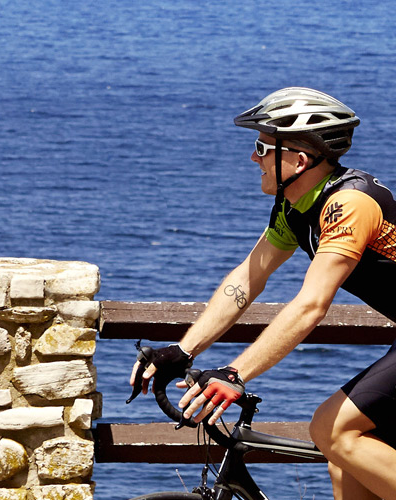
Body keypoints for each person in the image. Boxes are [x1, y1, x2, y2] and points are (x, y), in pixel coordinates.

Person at [130, 87, 396, 499]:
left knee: (332, 430)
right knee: (347, 457)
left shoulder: (349, 205)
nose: (253, 158)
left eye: (261, 147)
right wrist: (184, 351)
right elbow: (248, 279)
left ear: (299, 160)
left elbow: (311, 305)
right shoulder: (295, 207)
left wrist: (235, 374)